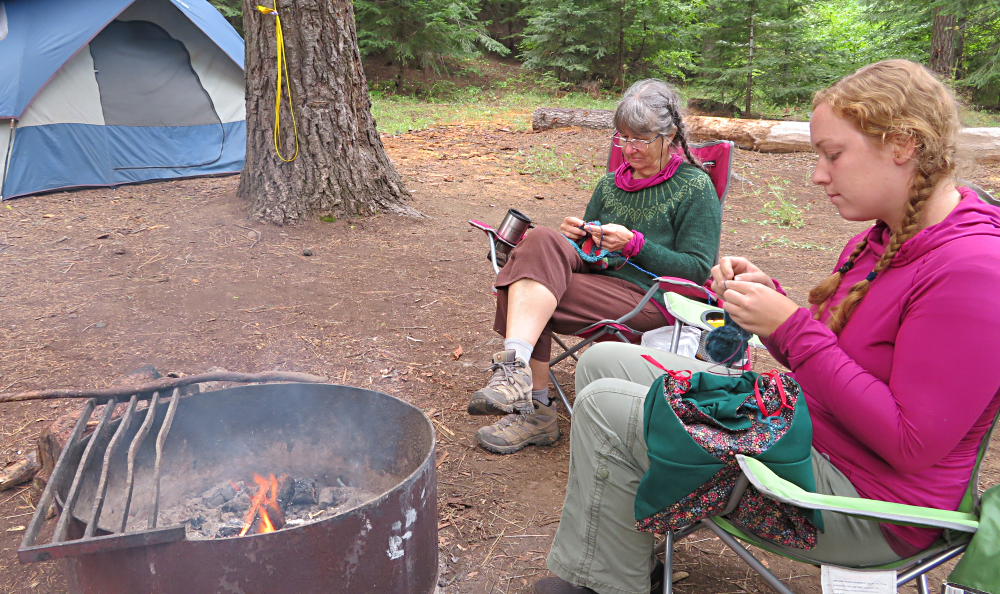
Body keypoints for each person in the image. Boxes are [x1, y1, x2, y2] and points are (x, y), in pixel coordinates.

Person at [533, 59, 1000, 594]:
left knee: (604, 407)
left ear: (902, 144)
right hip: (809, 434)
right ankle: (626, 548)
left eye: (832, 154)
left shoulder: (973, 271)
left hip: (865, 505)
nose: (820, 174)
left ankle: (603, 582)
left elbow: (909, 443)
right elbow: (839, 360)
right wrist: (768, 304)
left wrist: (792, 327)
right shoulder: (884, 237)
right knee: (601, 362)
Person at [468, 79, 722, 455]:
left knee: (520, 279)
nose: (629, 149)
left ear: (668, 135)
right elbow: (588, 258)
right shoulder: (609, 186)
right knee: (537, 244)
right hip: (601, 286)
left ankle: (535, 409)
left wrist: (636, 245)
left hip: (653, 299)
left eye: (640, 139)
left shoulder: (695, 188)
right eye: (622, 138)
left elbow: (697, 271)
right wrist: (577, 239)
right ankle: (518, 371)